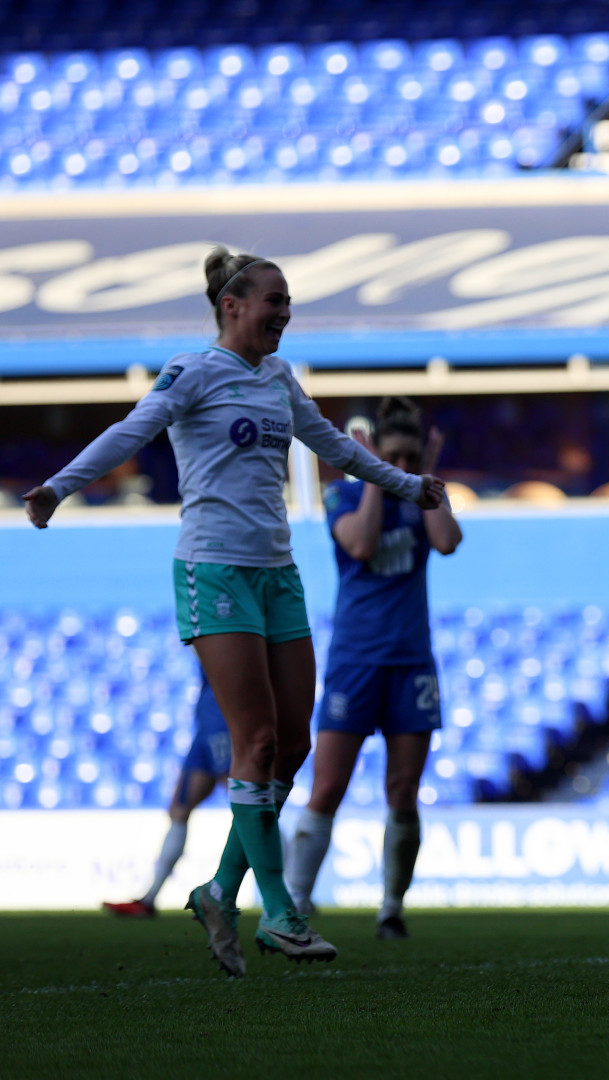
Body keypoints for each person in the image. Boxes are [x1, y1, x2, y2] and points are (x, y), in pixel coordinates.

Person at [24, 246, 444, 977]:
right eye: (274, 301)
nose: (285, 313)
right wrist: (58, 487)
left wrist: (409, 486)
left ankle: (219, 889)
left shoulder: (280, 378)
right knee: (252, 738)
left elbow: (338, 447)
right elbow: (133, 430)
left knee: (292, 748)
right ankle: (279, 912)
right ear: (232, 306)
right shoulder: (193, 370)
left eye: (288, 302)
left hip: (277, 574)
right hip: (214, 569)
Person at [285, 397, 463, 939]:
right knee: (328, 787)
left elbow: (448, 542)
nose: (404, 466)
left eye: (411, 456)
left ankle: (391, 907)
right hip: (355, 662)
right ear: (374, 453)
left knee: (403, 790)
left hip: (411, 662)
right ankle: (295, 901)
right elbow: (360, 544)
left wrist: (425, 484)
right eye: (394, 456)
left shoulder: (423, 495)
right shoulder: (343, 495)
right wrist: (373, 481)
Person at [103, 671, 230, 918]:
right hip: (207, 721)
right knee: (179, 810)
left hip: (225, 719)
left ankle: (291, 894)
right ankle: (149, 899)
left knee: (249, 804)